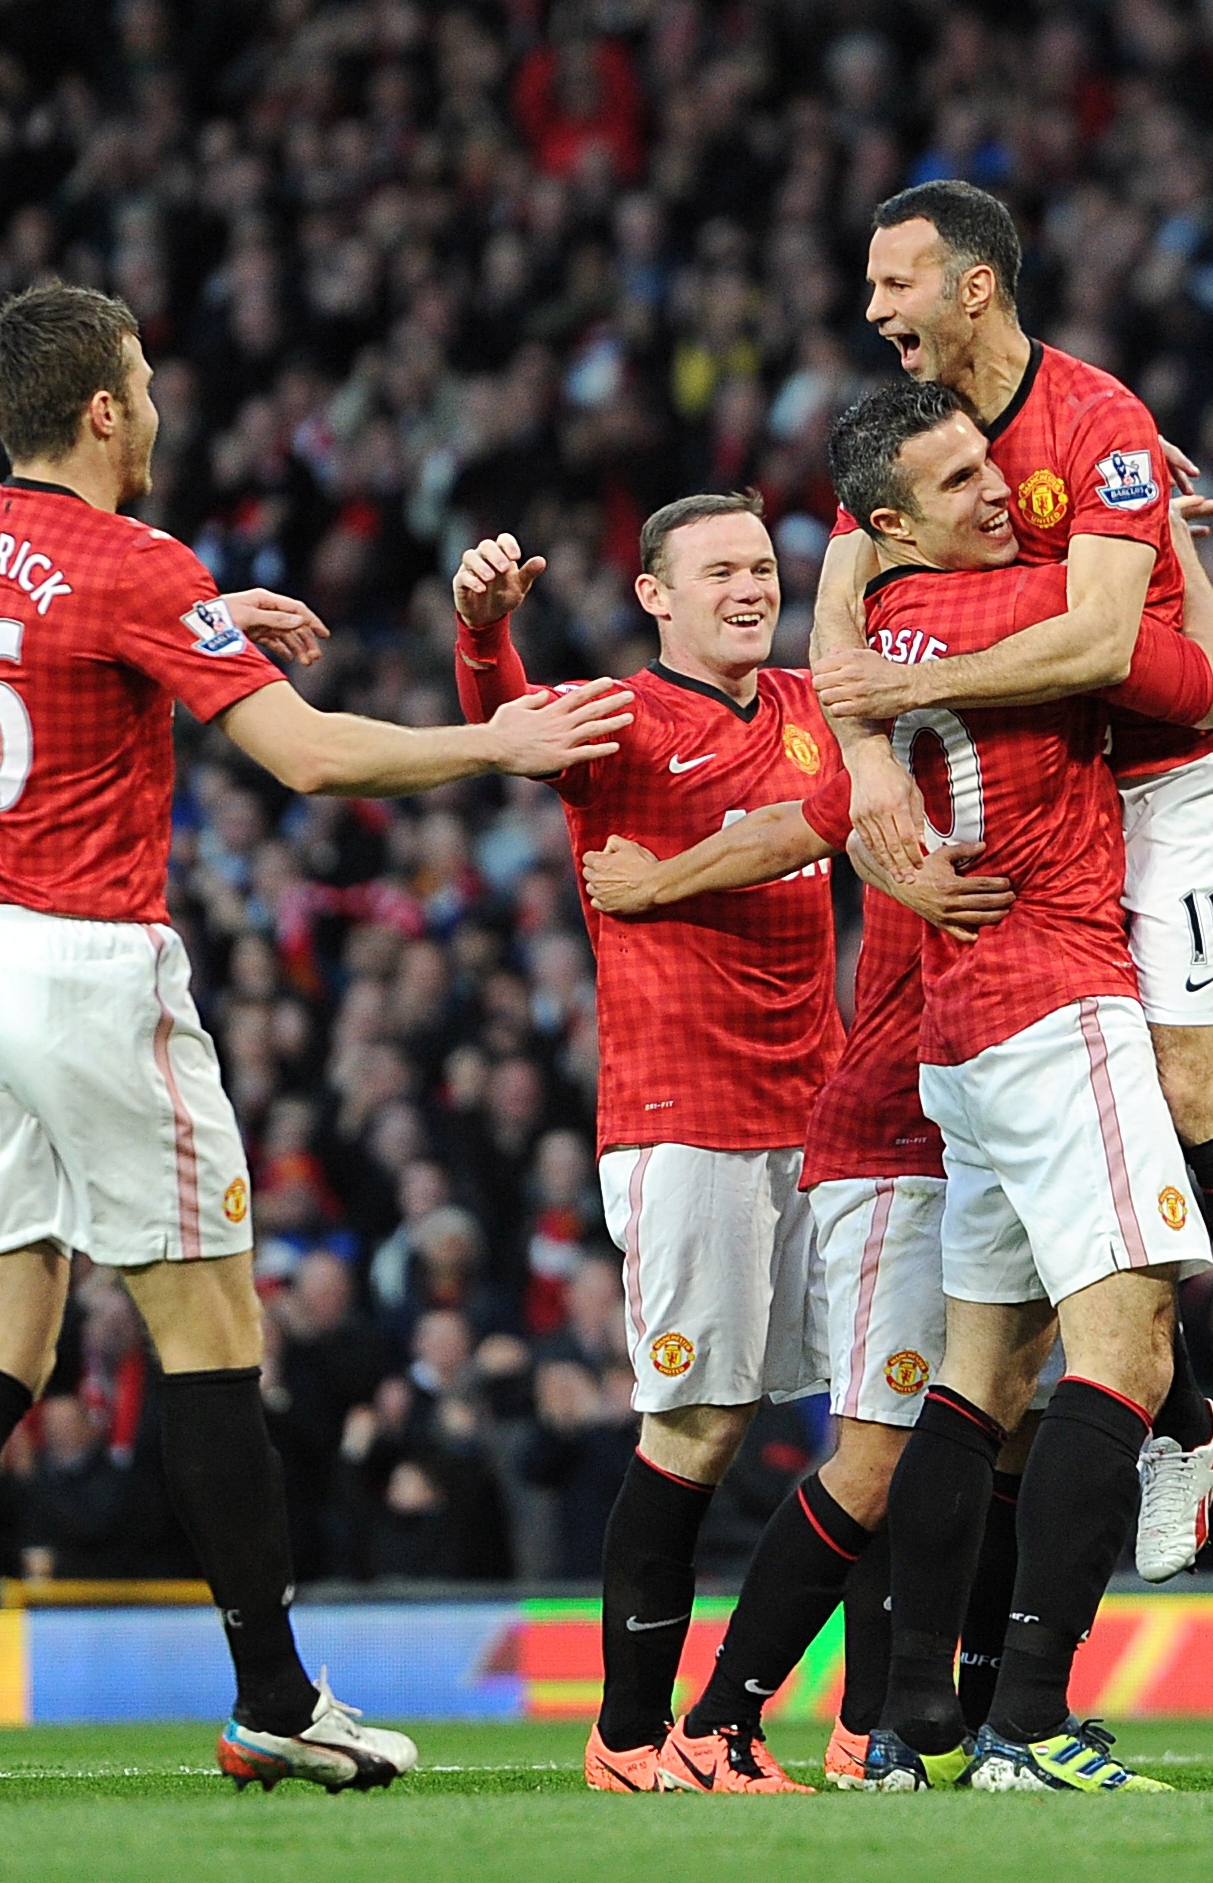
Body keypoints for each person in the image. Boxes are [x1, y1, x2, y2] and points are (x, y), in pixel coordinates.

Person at [0, 282, 633, 1803]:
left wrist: (201, 629)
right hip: (84, 964)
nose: (160, 408)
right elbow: (312, 761)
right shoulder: (138, 564)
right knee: (208, 1341)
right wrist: (497, 740)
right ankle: (275, 1700)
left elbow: (57, 644)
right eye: (144, 383)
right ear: (105, 411)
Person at [579, 385, 1213, 1792]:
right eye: (957, 483)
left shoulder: (866, 669)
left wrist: (679, 867)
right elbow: (1203, 689)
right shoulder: (1028, 618)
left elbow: (801, 815)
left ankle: (906, 1718)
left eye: (992, 465)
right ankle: (973, 1721)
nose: (1000, 491)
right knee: (1109, 1359)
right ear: (891, 527)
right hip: (1024, 1027)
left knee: (976, 1395)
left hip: (950, 1065)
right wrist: (1148, 522)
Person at [809, 182, 1213, 1575]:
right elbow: (838, 588)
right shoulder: (924, 445)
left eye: (894, 285)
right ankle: (1182, 1427)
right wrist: (866, 758)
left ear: (972, 289)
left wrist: (900, 684)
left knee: (1178, 1086)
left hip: (1170, 774)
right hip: (1066, 794)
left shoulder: (1097, 424)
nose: (874, 313)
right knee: (1072, 1149)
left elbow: (1107, 644)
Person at [450, 498, 851, 1795]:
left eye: (761, 566)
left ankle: (837, 1723)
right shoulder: (620, 715)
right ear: (652, 596)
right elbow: (505, 727)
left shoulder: (809, 700)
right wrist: (480, 634)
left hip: (829, 1116)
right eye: (718, 571)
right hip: (687, 1122)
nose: (749, 587)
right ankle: (628, 1736)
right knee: (698, 1426)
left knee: (892, 1421)